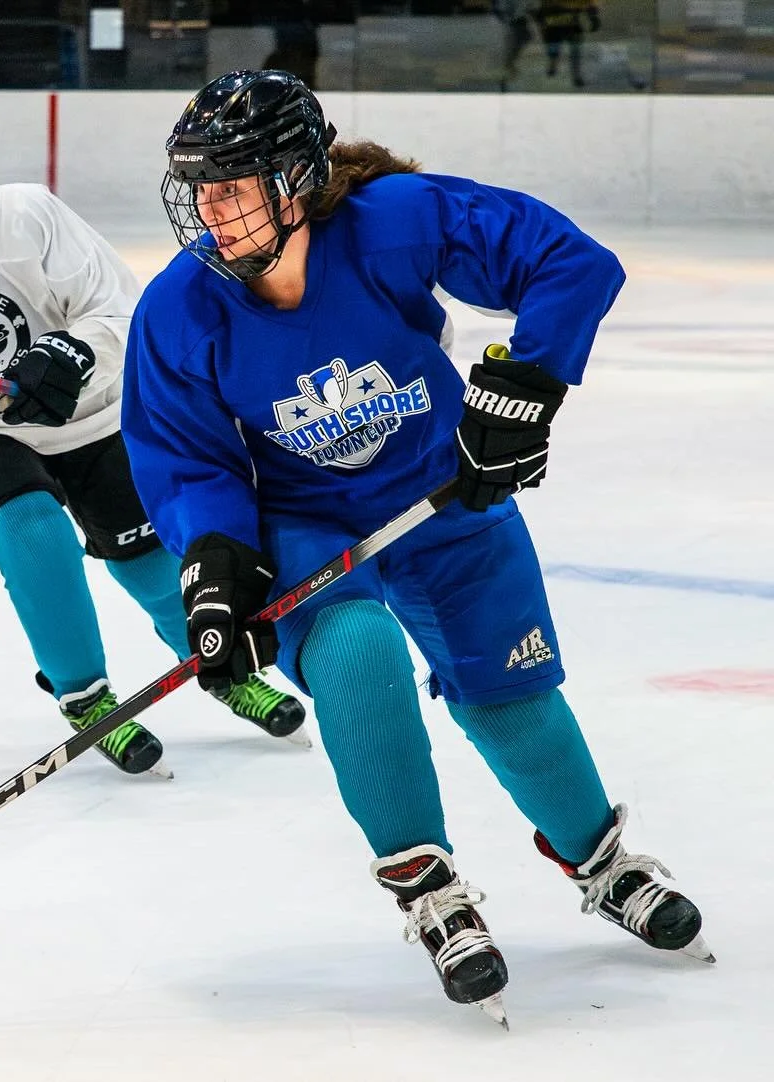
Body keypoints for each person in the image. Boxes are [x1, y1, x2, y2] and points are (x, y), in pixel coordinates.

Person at [121, 69, 711, 1022]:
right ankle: (429, 888)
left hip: (444, 489)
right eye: (200, 189)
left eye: (234, 186)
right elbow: (186, 460)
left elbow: (569, 262)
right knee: (357, 651)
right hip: (307, 523)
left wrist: (526, 387)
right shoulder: (178, 309)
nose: (212, 212)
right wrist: (216, 563)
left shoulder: (392, 222)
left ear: (296, 178)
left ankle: (599, 861)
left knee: (512, 698)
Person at [0, 100, 308, 779]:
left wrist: (71, 353)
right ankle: (84, 696)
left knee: (149, 560)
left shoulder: (28, 215)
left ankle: (215, 662)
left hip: (88, 414)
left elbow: (120, 311)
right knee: (32, 532)